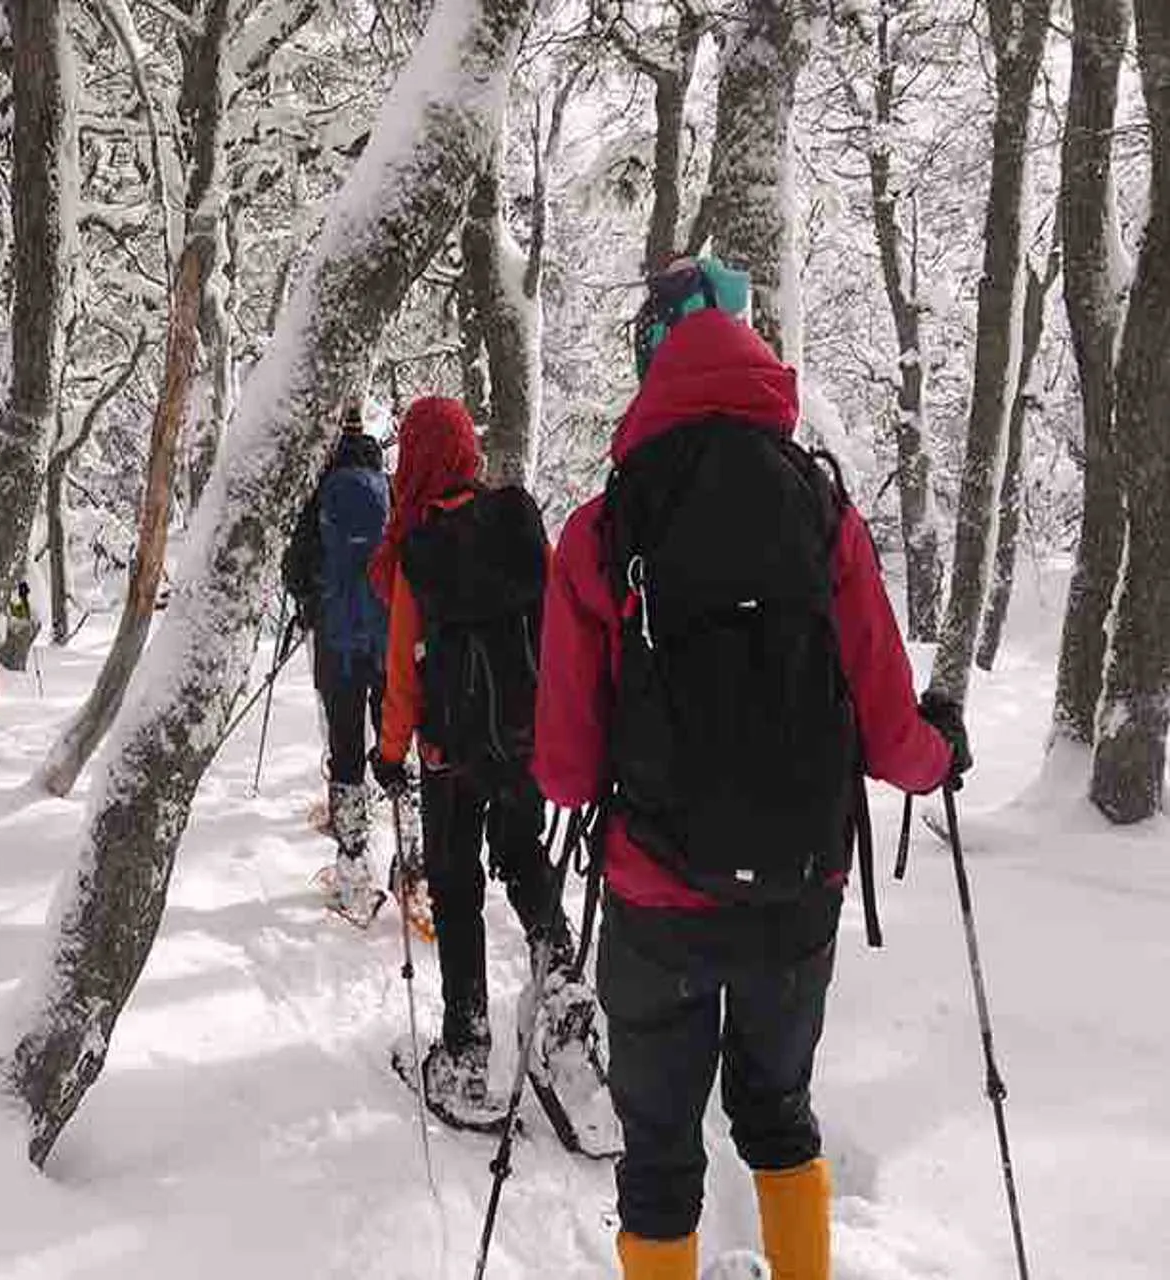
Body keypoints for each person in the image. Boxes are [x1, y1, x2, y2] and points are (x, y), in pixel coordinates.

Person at [532, 255, 971, 1280]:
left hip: (655, 898)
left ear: (652, 361)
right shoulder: (823, 513)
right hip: (796, 891)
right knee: (777, 1114)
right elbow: (890, 726)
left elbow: (561, 769)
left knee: (659, 1157)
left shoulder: (605, 529)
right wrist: (941, 749)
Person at [367, 395, 565, 1124]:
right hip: (526, 743)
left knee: (456, 891)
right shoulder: (517, 521)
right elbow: (557, 629)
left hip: (450, 754)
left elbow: (402, 674)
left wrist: (389, 755)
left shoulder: (419, 548)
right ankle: (565, 999)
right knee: (524, 858)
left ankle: (466, 1046)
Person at [282, 404, 390, 920]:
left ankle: (352, 870)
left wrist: (309, 601)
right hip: (389, 639)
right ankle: (413, 860)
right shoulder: (386, 483)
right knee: (395, 746)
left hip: (338, 644)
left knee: (346, 751)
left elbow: (295, 570)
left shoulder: (317, 486)